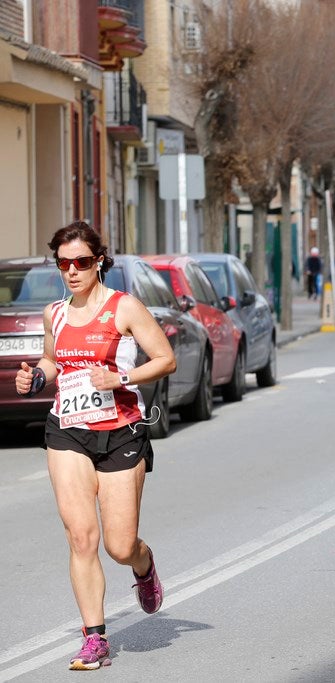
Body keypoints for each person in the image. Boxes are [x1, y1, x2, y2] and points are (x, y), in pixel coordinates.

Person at [14, 221, 177, 671]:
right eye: (63, 263)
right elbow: (52, 359)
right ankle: (94, 639)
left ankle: (143, 567)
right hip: (67, 430)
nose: (72, 270)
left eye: (81, 262)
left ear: (99, 261)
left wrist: (120, 377)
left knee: (119, 546)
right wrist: (37, 378)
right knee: (81, 537)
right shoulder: (56, 313)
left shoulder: (124, 308)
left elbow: (166, 359)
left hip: (121, 431)